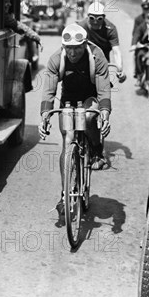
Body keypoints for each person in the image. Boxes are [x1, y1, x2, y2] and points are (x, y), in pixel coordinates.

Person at [39, 23, 112, 211]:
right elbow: (48, 90)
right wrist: (45, 117)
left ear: (85, 44)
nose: (72, 53)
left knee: (88, 118)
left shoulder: (97, 56)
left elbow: (104, 89)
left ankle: (96, 149)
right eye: (69, 49)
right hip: (68, 100)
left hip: (90, 96)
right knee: (68, 139)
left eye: (77, 48)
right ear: (64, 47)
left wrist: (104, 113)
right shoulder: (57, 59)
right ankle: (65, 193)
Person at [77, 2, 126, 81]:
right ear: (87, 16)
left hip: (103, 60)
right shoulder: (80, 27)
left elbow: (116, 51)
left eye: (99, 19)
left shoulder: (110, 29)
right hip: (84, 58)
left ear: (104, 17)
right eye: (92, 18)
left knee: (104, 85)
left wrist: (120, 68)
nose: (95, 22)